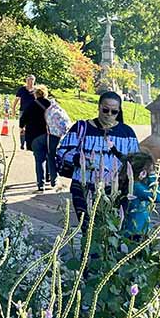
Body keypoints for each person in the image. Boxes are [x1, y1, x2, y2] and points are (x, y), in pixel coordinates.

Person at [55, 90, 139, 223]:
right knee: (87, 229)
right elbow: (62, 152)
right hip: (83, 187)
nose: (109, 115)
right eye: (105, 110)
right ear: (98, 107)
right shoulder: (81, 127)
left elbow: (135, 162)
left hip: (115, 190)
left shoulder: (127, 133)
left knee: (110, 232)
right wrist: (80, 160)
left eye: (114, 111)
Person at [123, 151, 160, 237]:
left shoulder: (134, 184)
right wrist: (153, 177)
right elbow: (158, 197)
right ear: (143, 172)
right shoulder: (136, 187)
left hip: (136, 230)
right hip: (134, 233)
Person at [22, 86, 55, 192]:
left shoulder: (31, 105)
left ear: (36, 94)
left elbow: (23, 119)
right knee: (50, 156)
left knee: (39, 160)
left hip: (35, 136)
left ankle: (41, 184)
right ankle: (51, 179)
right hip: (50, 135)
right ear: (45, 94)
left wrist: (21, 128)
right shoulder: (51, 105)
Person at [44, 91, 71, 184]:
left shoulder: (47, 110)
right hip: (60, 135)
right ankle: (52, 176)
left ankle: (50, 176)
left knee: (50, 155)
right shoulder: (59, 109)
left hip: (51, 135)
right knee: (54, 155)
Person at [13, 74, 36, 149]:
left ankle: (29, 144)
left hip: (33, 113)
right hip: (23, 111)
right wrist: (13, 108)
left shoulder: (36, 90)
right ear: (26, 81)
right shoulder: (22, 89)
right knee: (22, 128)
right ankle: (22, 144)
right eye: (29, 80)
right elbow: (16, 100)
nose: (30, 81)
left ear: (34, 81)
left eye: (32, 80)